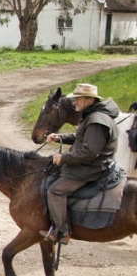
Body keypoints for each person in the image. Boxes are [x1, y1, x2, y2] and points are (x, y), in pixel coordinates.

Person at [41, 83, 119, 244]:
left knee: (55, 191)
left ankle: (61, 232)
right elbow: (82, 138)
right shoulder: (92, 115)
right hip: (90, 164)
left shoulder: (97, 120)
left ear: (89, 99)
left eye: (77, 99)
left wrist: (63, 158)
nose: (74, 102)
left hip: (92, 168)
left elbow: (90, 152)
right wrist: (60, 137)